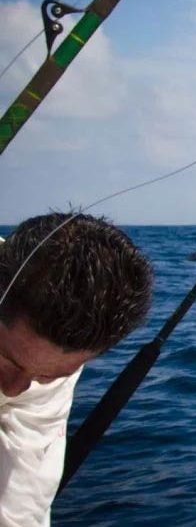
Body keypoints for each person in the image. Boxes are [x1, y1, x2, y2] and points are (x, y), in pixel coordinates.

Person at [0, 212, 153, 527]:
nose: (16, 389)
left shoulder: (46, 363)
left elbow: (18, 503)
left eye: (47, 377)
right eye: (7, 360)